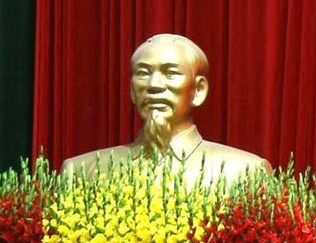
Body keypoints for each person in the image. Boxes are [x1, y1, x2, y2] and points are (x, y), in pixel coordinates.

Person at [61, 33, 271, 185]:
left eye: (170, 73)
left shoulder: (244, 172)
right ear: (132, 90)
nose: (154, 85)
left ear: (198, 90)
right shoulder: (81, 172)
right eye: (143, 73)